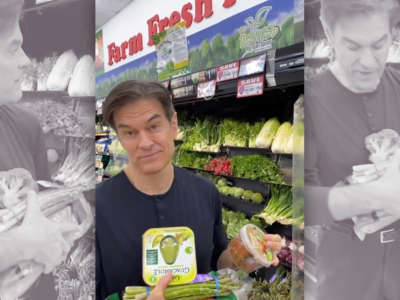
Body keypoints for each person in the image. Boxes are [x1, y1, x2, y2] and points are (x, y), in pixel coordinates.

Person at [96, 80, 282, 300]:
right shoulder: (96, 206)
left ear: (173, 124)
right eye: (129, 133)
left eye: (154, 127)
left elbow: (218, 263)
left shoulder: (205, 192)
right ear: (119, 137)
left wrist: (248, 252)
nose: (145, 143)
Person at [305, 0, 400, 299]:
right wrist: (376, 195)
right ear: (328, 33)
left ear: (392, 33)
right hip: (346, 268)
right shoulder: (309, 102)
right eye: (353, 47)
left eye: (379, 44)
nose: (369, 62)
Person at [0, 1, 78, 298]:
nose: (25, 60)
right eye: (12, 48)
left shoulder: (25, 125)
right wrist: (23, 244)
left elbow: (44, 207)